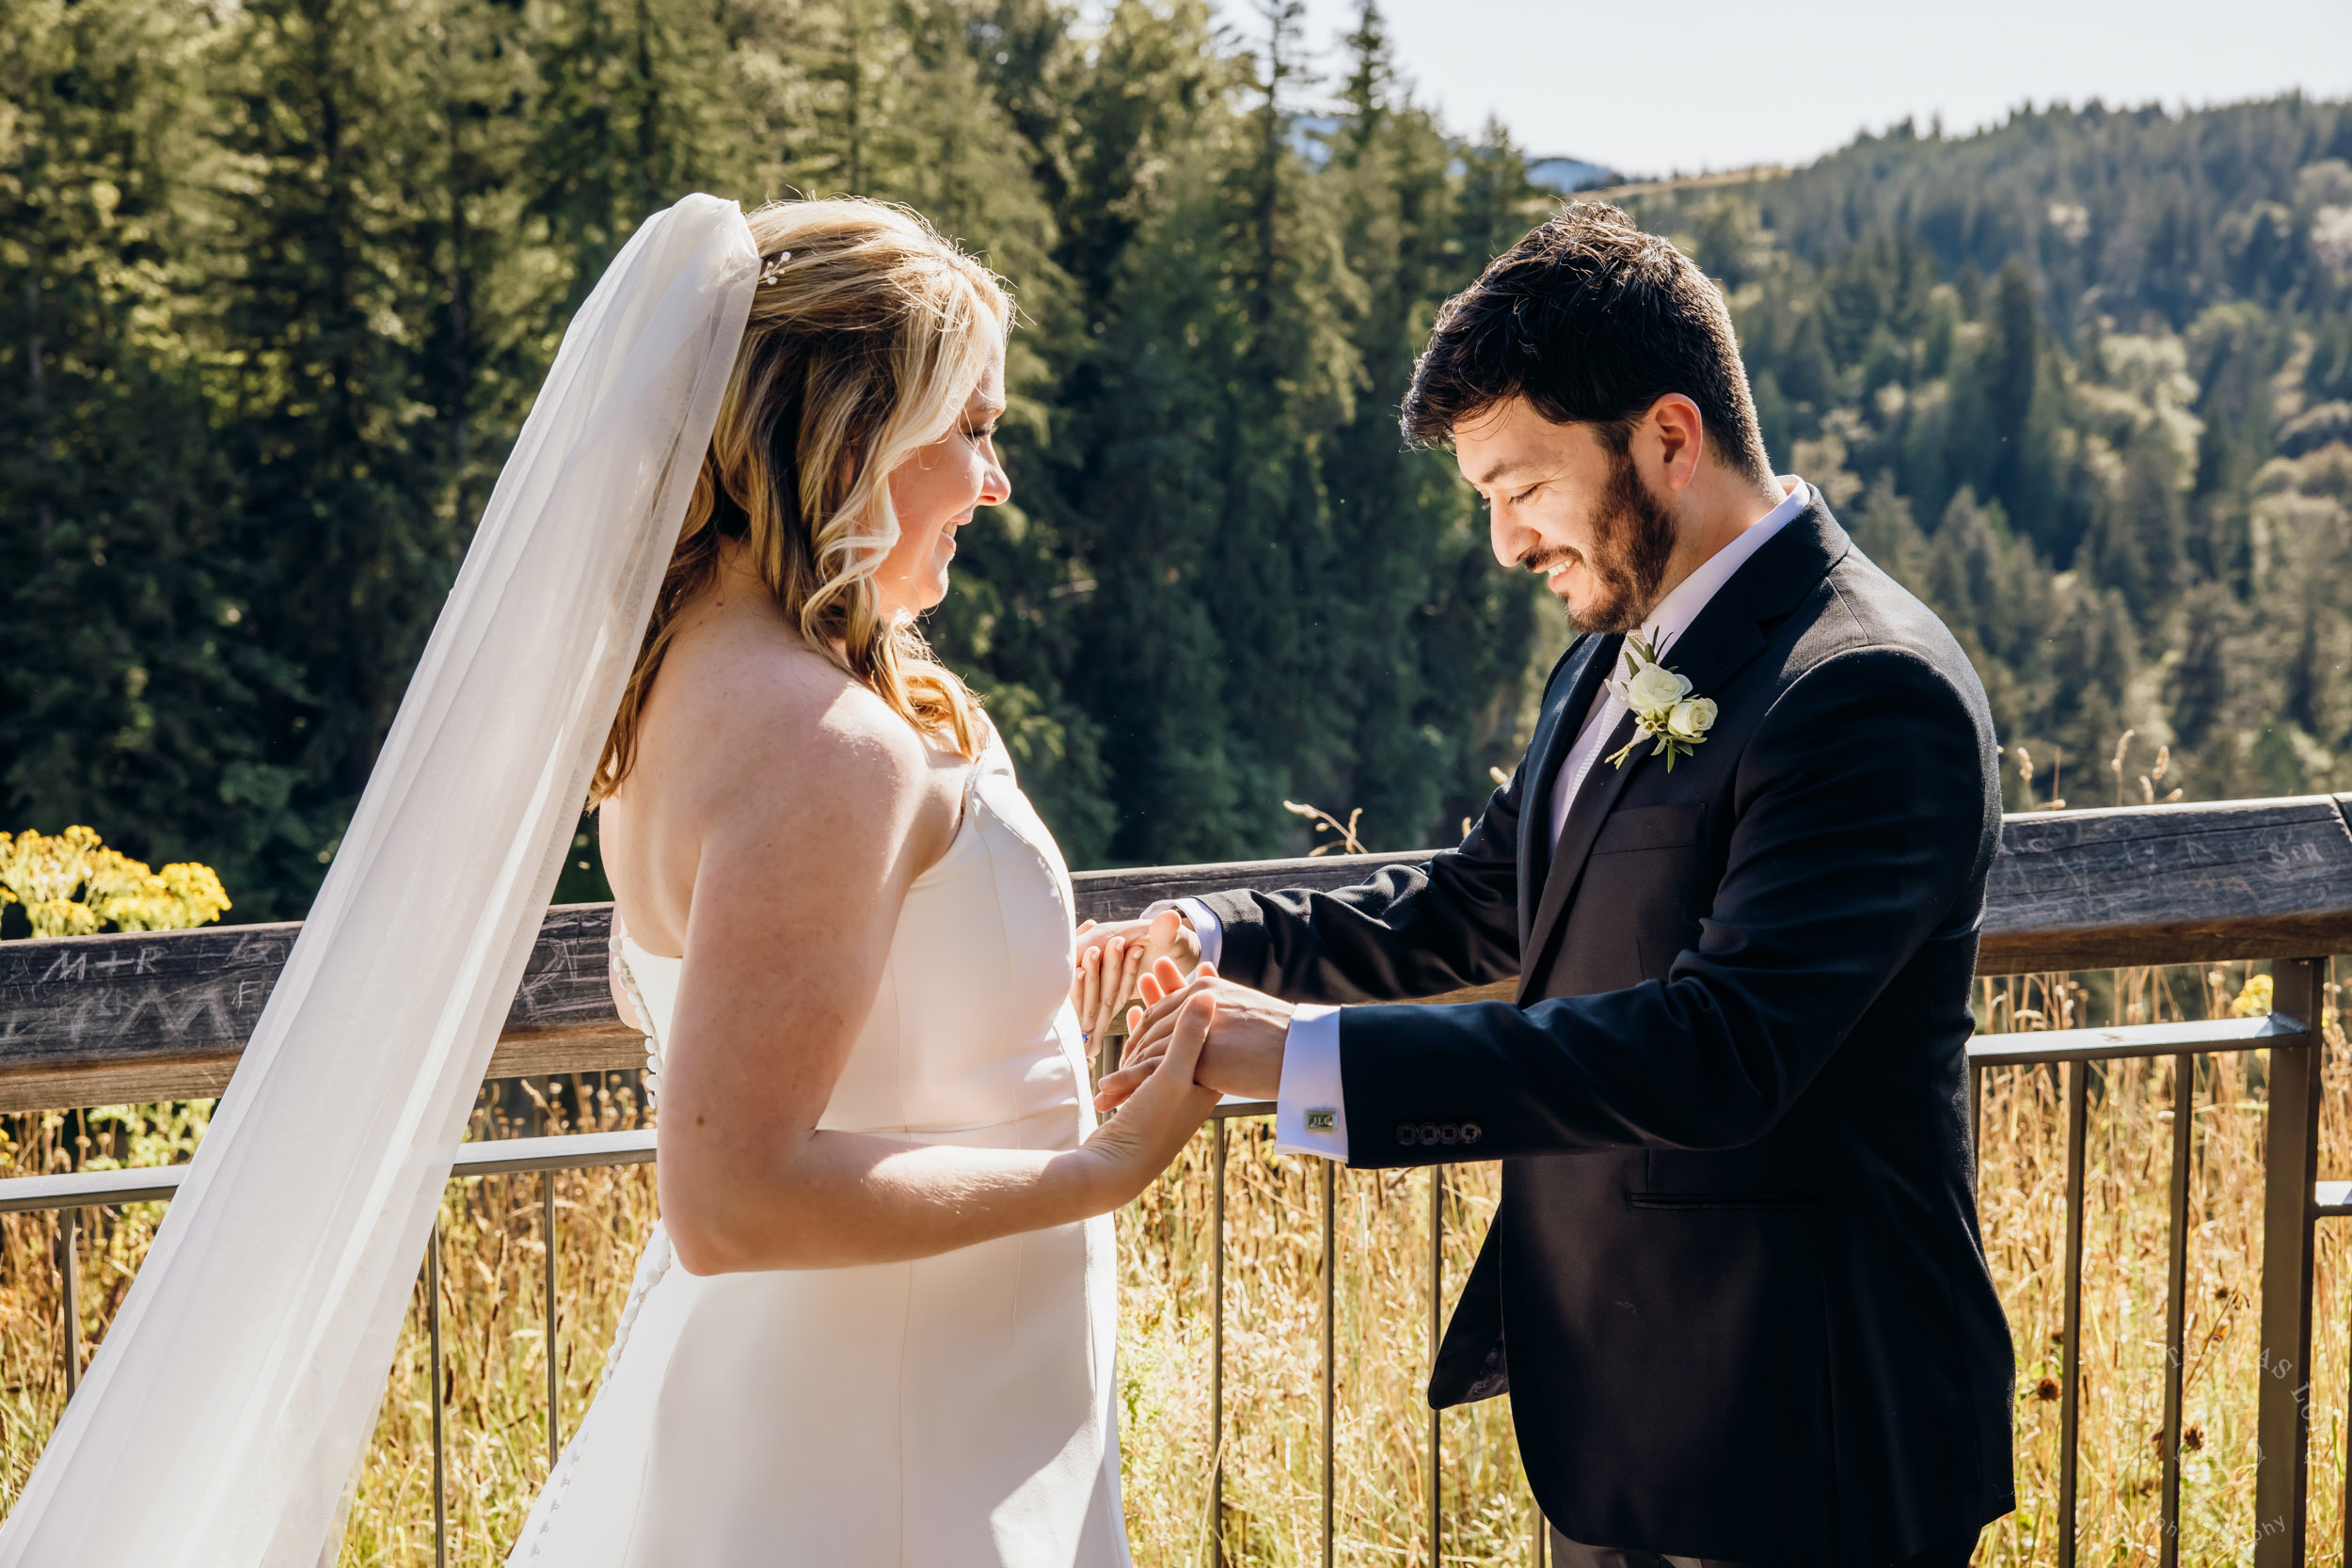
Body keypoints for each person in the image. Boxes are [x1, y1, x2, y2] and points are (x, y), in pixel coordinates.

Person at [1085, 202, 2015, 1567]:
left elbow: (1720, 1053)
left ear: (1670, 438)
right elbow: (1477, 906)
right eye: (1488, 502)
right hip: (1618, 1416)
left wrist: (1300, 1060)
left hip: (1806, 1430)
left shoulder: (1869, 688)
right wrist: (1215, 929)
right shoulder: (1607, 652)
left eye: (1522, 489)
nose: (1509, 542)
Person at [507, 198, 1216, 1566]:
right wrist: (1099, 1166)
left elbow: (811, 1025)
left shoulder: (685, 695)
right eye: (972, 426)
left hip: (876, 1405)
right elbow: (733, 1198)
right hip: (889, 1455)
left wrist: (1019, 1000)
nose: (997, 480)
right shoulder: (823, 747)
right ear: (850, 435)